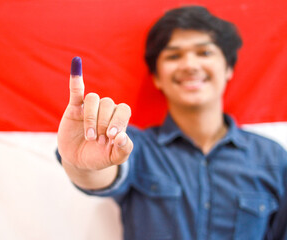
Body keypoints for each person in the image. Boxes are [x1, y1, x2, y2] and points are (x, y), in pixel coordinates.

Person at [56, 6, 287, 240]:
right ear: (156, 77)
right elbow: (103, 173)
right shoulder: (134, 146)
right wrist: (82, 165)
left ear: (228, 68)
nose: (189, 65)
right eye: (174, 55)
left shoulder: (273, 158)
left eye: (204, 53)